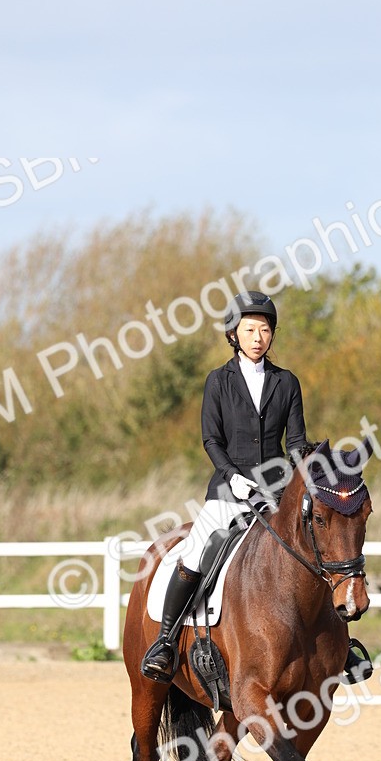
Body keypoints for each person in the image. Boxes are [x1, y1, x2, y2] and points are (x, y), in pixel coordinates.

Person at [141, 290, 308, 682]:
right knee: (197, 551)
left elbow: (297, 442)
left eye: (265, 330)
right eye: (250, 329)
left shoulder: (287, 382)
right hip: (227, 491)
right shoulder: (219, 380)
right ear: (234, 333)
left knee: (312, 548)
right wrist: (233, 476)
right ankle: (165, 641)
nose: (258, 337)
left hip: (275, 493)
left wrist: (305, 474)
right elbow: (211, 439)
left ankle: (336, 644)